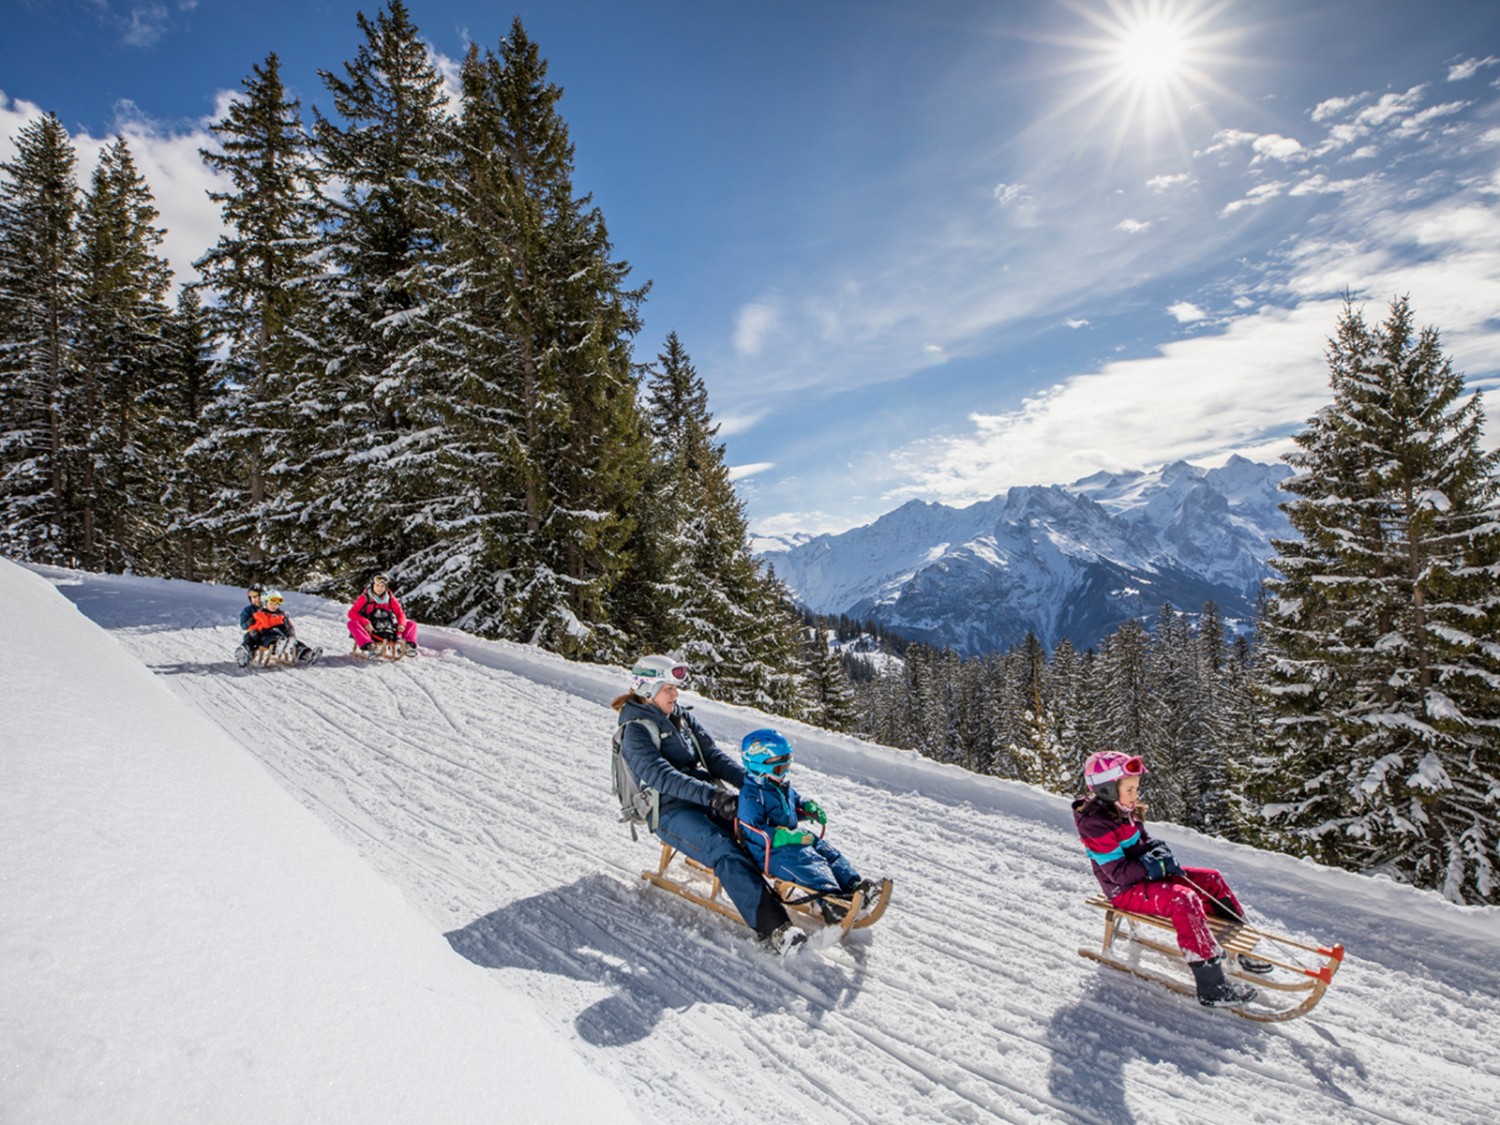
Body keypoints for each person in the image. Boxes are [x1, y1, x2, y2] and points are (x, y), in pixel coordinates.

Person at [613, 655, 804, 956]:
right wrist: (713, 797)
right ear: (647, 691)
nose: (675, 694)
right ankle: (775, 931)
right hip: (668, 810)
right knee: (723, 847)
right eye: (668, 689)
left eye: (676, 688)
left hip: (703, 795)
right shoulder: (635, 731)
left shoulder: (680, 717)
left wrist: (757, 786)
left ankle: (825, 894)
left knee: (758, 822)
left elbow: (714, 758)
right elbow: (663, 777)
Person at [1073, 750, 1268, 1007]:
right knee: (1182, 899)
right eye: (1129, 789)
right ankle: (1212, 986)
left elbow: (1142, 840)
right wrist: (1151, 864)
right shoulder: (1095, 824)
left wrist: (1157, 850)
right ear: (1108, 790)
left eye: (1135, 789)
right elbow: (1116, 873)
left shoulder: (1124, 809)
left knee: (1212, 879)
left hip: (1144, 879)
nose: (1135, 795)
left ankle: (1241, 949)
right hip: (1123, 890)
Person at [735, 728, 878, 919]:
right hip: (768, 852)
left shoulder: (779, 785)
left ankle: (852, 886)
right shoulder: (751, 794)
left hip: (789, 839)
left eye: (787, 767)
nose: (784, 773)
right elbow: (753, 831)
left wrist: (808, 809)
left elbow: (794, 804)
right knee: (807, 860)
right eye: (779, 769)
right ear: (758, 767)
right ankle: (829, 901)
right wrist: (784, 836)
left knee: (823, 849)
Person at [238, 590, 322, 667]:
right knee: (250, 639)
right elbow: (253, 626)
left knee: (295, 643)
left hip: (280, 636)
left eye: (277, 604)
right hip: (263, 637)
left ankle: (307, 654)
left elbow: (288, 626)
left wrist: (290, 634)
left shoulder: (281, 615)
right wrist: (253, 631)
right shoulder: (260, 615)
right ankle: (244, 654)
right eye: (271, 604)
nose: (274, 606)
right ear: (265, 603)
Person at [348, 572, 418, 655]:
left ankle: (407, 647)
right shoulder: (365, 597)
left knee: (412, 624)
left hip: (388, 629)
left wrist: (401, 624)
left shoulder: (390, 598)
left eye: (382, 586)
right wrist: (365, 622)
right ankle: (370, 646)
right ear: (372, 585)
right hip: (371, 631)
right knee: (352, 623)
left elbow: (400, 613)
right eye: (377, 585)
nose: (380, 588)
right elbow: (351, 613)